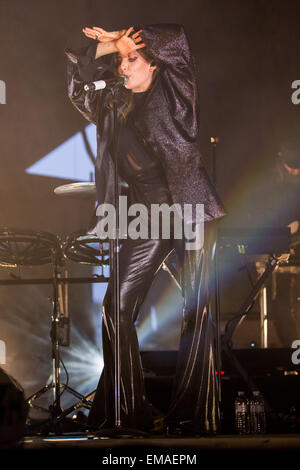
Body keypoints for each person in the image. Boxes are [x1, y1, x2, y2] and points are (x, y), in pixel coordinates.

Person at [66, 23, 226, 435]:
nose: (124, 65)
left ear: (156, 65)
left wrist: (128, 34)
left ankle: (193, 417)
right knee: (115, 307)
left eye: (132, 57)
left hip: (191, 208)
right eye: (121, 59)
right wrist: (103, 49)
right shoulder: (111, 104)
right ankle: (125, 411)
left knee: (198, 311)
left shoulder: (176, 90)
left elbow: (178, 42)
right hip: (147, 216)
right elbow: (76, 87)